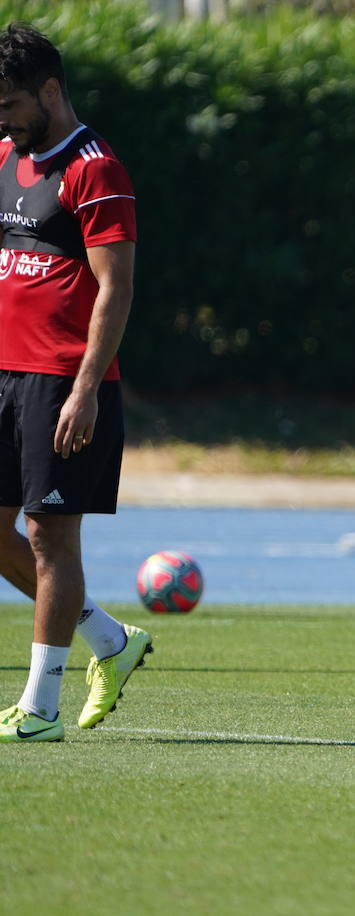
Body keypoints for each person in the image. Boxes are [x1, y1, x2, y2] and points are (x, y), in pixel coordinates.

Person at [0, 23, 149, 743]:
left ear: (51, 91)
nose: (3, 119)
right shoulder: (6, 155)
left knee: (50, 537)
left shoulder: (97, 170)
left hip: (61, 382)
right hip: (5, 374)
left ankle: (40, 708)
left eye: (10, 104)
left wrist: (86, 389)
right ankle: (110, 641)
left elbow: (115, 288)